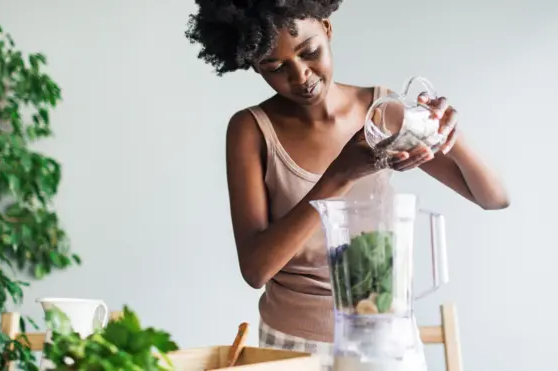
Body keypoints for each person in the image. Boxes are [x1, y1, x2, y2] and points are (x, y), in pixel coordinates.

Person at [185, 1, 510, 369]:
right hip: (292, 347)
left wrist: (449, 132)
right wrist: (341, 174)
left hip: (385, 339)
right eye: (274, 68)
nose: (301, 76)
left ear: (327, 29)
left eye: (309, 52)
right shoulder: (250, 130)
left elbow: (494, 197)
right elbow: (256, 270)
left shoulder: (381, 112)